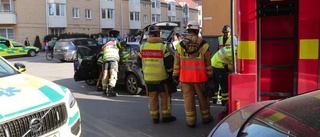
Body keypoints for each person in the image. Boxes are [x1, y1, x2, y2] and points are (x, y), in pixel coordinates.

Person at [173, 20, 213, 128]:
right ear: (197, 30)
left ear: (188, 30)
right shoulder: (204, 45)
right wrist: (210, 76)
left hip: (185, 78)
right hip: (200, 77)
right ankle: (206, 118)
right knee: (203, 99)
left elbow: (177, 64)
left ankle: (191, 122)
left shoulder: (180, 45)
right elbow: (208, 64)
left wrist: (175, 75)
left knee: (188, 100)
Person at [137, 25, 176, 124]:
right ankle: (166, 116)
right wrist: (169, 73)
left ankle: (155, 117)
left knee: (152, 98)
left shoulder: (143, 47)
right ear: (158, 34)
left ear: (149, 35)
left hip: (149, 79)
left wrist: (144, 71)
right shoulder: (163, 47)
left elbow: (139, 62)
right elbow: (168, 63)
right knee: (165, 97)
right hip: (162, 78)